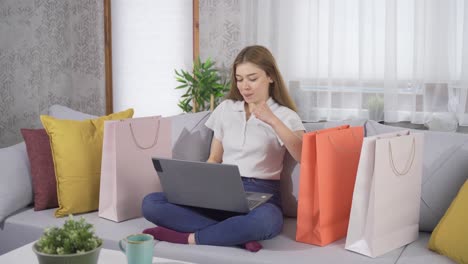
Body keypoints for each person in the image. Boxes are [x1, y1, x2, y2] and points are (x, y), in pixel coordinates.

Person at [141, 45, 305, 252]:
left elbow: (304, 156)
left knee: (265, 222)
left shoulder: (286, 115)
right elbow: (214, 158)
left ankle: (189, 238)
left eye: (252, 78)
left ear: (270, 76)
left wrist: (272, 120)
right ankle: (236, 236)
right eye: (239, 79)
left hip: (262, 195)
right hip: (222, 188)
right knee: (151, 203)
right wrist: (200, 189)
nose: (245, 86)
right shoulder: (226, 108)